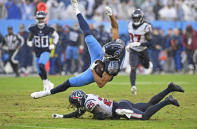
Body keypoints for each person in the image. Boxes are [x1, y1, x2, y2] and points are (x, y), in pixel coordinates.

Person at [31, 0, 125, 99]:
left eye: (107, 54)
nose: (105, 53)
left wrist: (93, 69)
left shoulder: (112, 67)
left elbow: (100, 84)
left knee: (70, 82)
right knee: (88, 35)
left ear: (113, 56)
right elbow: (115, 27)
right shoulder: (117, 44)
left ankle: (46, 93)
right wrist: (111, 15)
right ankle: (77, 10)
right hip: (99, 57)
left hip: (97, 72)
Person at [52, 83, 184, 120]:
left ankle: (167, 101)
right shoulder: (88, 98)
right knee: (148, 105)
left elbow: (100, 115)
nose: (75, 106)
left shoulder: (88, 103)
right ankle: (169, 88)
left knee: (144, 116)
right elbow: (78, 113)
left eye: (75, 103)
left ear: (79, 100)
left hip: (120, 109)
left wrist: (94, 117)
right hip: (120, 104)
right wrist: (62, 116)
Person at [27, 11, 59, 91]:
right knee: (39, 72)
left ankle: (45, 86)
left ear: (44, 19)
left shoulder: (49, 29)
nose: (40, 20)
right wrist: (29, 42)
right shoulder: (33, 28)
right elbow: (29, 38)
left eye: (42, 18)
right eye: (39, 18)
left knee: (41, 65)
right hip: (37, 52)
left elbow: (56, 36)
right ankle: (49, 83)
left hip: (46, 50)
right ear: (36, 19)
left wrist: (54, 44)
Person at [126, 9, 153, 95]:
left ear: (141, 18)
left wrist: (139, 43)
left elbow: (150, 43)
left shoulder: (146, 26)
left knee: (146, 66)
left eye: (137, 18)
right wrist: (129, 44)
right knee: (133, 67)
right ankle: (133, 86)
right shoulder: (129, 24)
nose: (135, 20)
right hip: (133, 50)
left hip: (143, 50)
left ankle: (147, 63)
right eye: (134, 18)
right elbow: (131, 38)